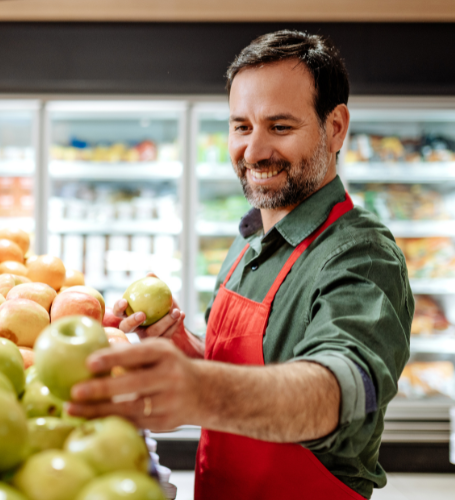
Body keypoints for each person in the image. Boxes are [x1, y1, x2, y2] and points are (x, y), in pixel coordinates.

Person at [67, 30, 412, 499]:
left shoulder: (360, 254)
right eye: (242, 127)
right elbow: (239, 363)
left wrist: (202, 391)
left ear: (335, 128)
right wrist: (179, 347)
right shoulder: (249, 238)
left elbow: (337, 392)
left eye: (280, 127)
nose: (253, 152)